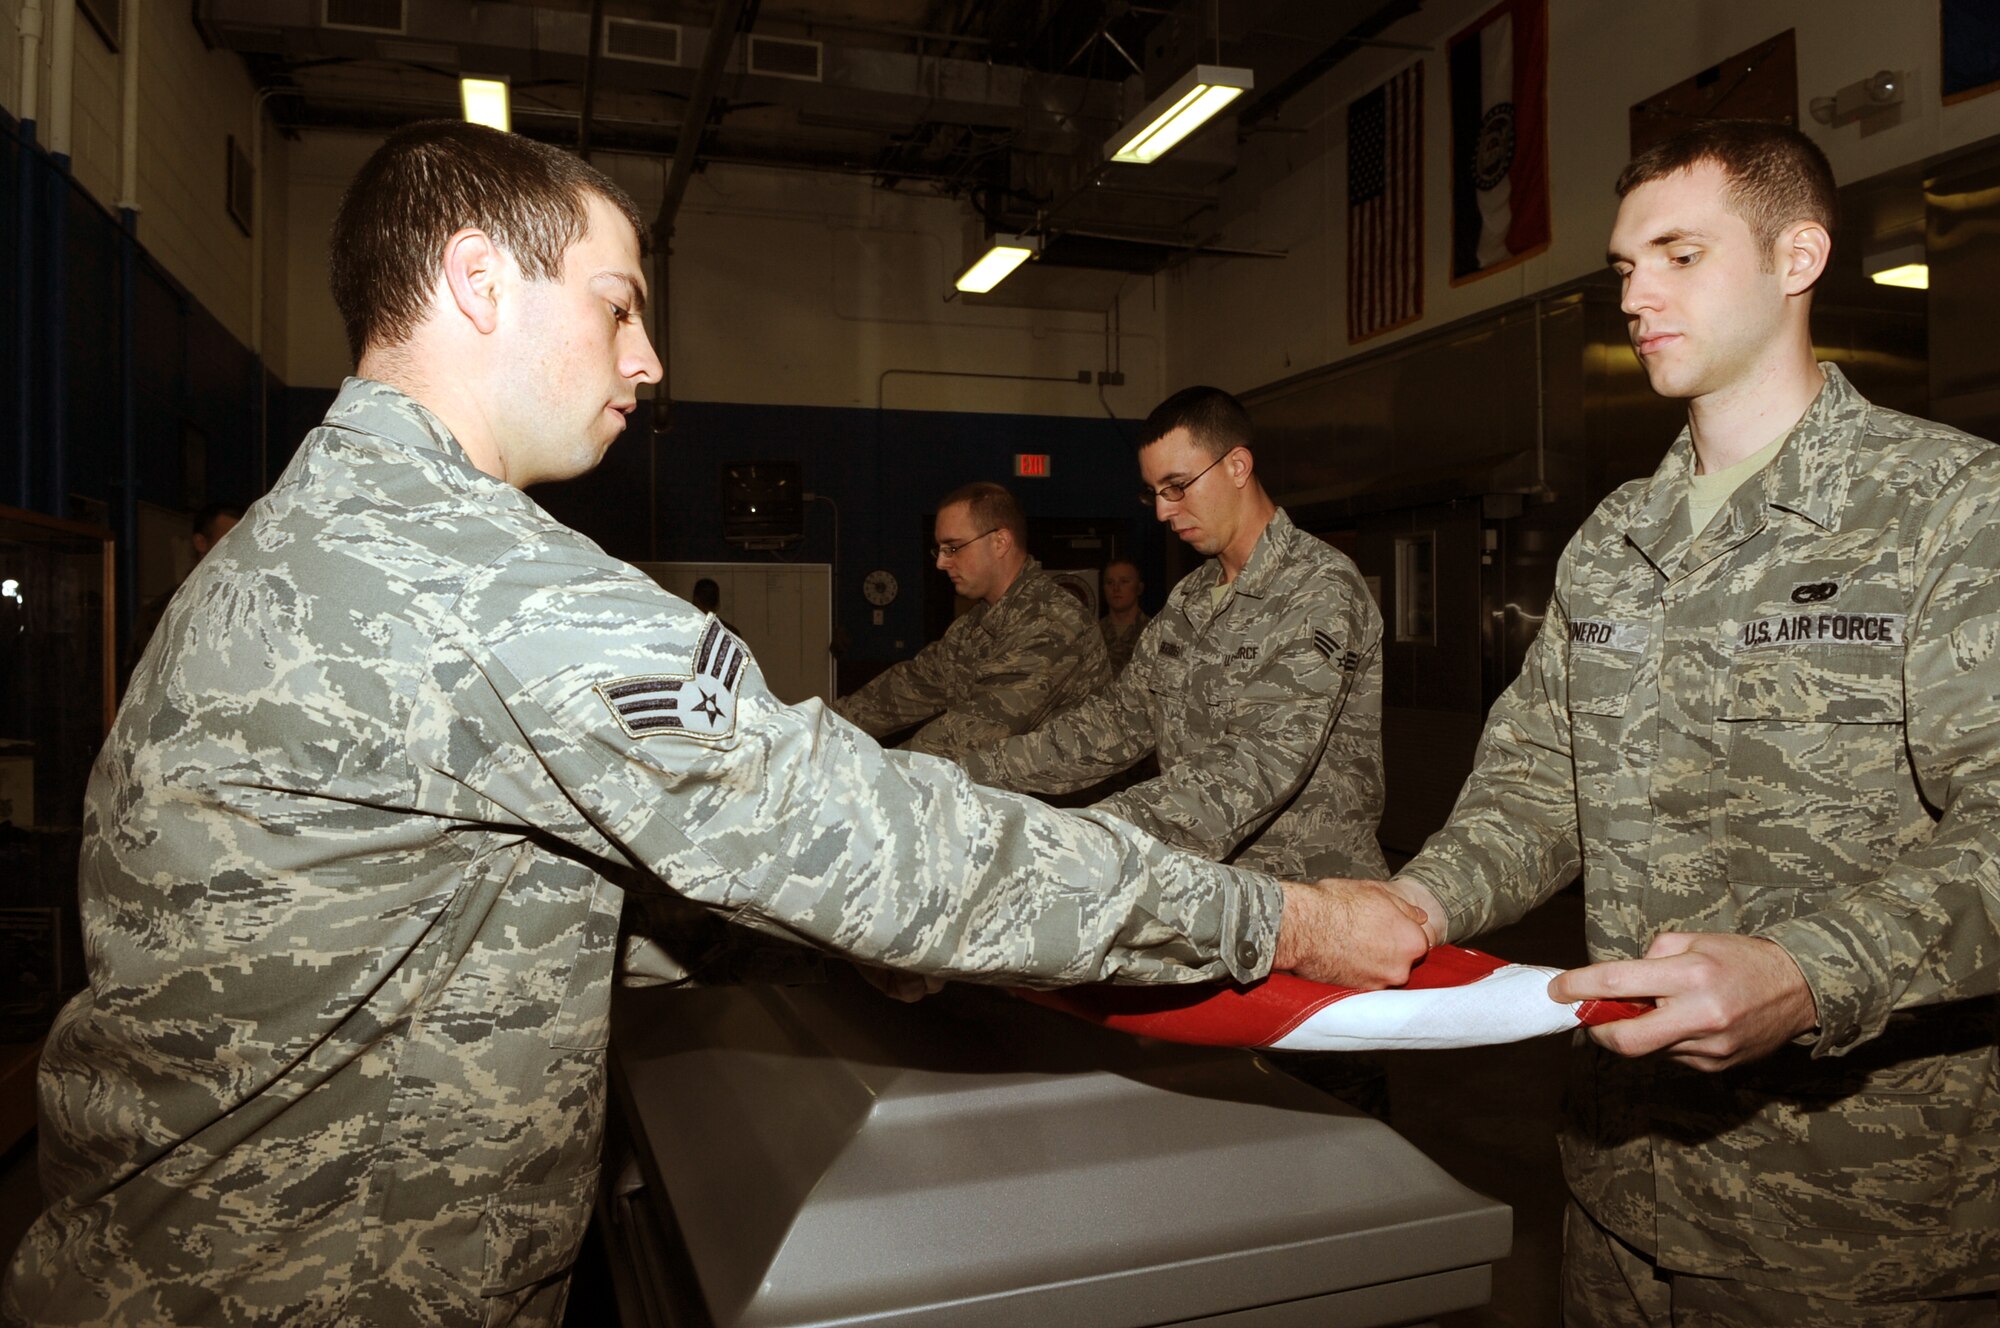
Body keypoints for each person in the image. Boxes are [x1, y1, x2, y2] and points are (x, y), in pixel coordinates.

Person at [1, 122, 1430, 1328]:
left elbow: (486, 896)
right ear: (478, 283)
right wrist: (1283, 923)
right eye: (618, 304)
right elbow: (886, 848)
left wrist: (829, 924)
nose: (652, 358)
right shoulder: (485, 583)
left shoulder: (291, 543)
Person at [1336, 120, 2000, 1323]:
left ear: (1796, 256)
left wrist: (1806, 973)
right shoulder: (1614, 539)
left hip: (1853, 1226)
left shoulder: (1947, 509)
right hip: (1613, 1195)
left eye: (1677, 254)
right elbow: (1537, 785)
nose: (1633, 293)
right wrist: (1413, 902)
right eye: (1622, 265)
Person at [960, 388, 1388, 885]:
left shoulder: (1319, 586)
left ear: (1237, 467)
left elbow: (1259, 762)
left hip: (1312, 897)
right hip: (1211, 889)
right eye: (1154, 493)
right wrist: (969, 773)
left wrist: (1086, 835)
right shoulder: (1190, 598)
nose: (1163, 512)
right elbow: (1115, 722)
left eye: (1178, 486)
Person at [832, 482, 1111, 760]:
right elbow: (907, 689)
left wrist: (873, 771)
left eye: (953, 548)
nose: (941, 562)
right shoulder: (973, 625)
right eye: (939, 549)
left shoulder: (1053, 622)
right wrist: (819, 727)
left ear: (1000, 542)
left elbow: (970, 733)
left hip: (1055, 803)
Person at [124, 502, 243, 679]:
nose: (239, 550)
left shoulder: (247, 603)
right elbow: (141, 680)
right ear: (201, 543)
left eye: (244, 541)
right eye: (229, 540)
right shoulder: (168, 609)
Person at [1098, 557, 1148, 674]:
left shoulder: (1154, 632)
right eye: (1110, 582)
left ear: (1139, 588)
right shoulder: (1093, 634)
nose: (1116, 588)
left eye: (1124, 581)